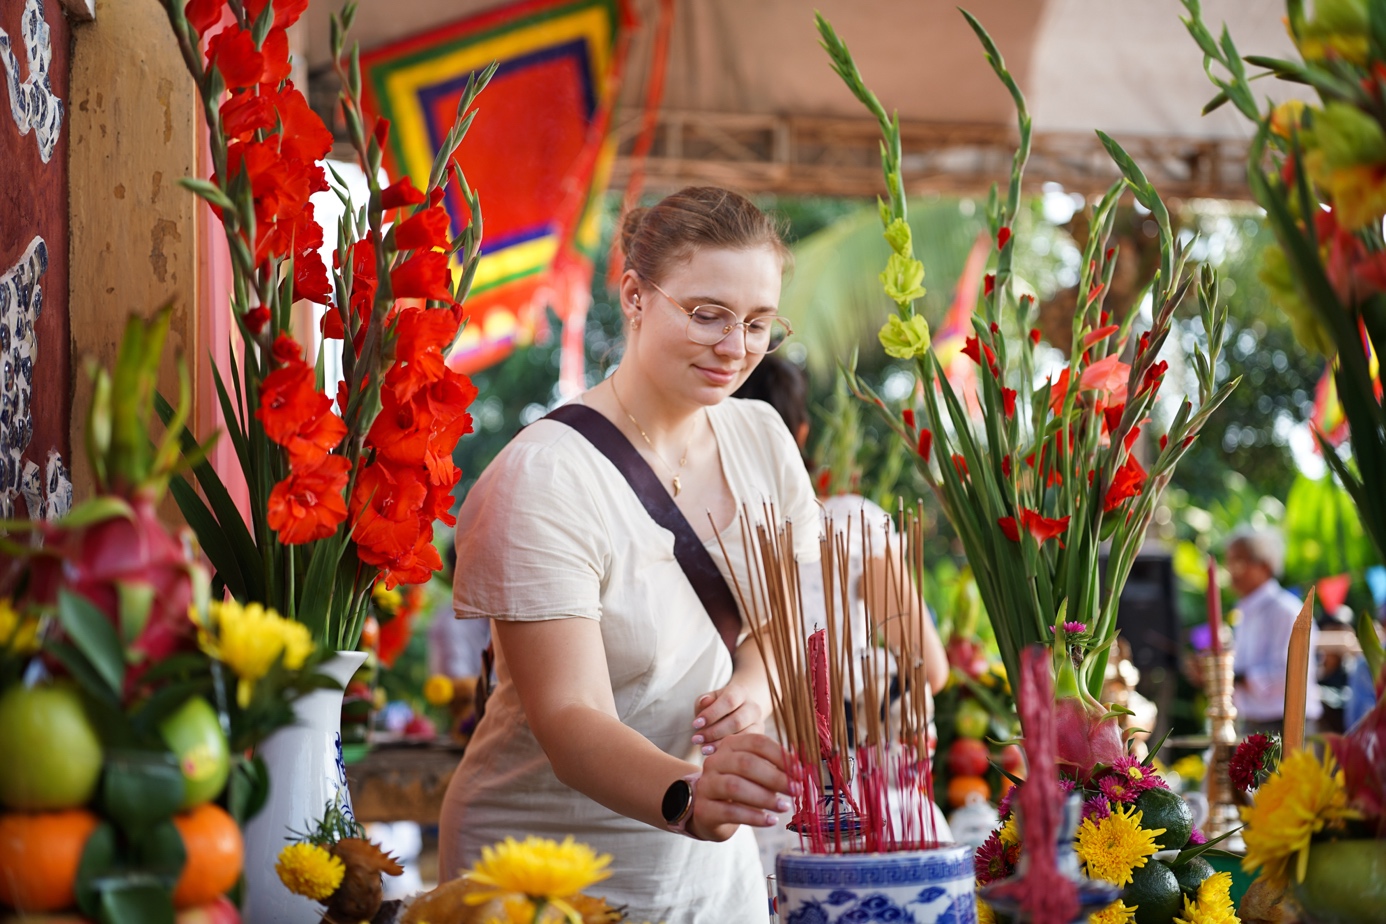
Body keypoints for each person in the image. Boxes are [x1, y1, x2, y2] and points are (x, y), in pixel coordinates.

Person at [438, 188, 816, 922]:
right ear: (636, 297)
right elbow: (570, 717)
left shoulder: (764, 438)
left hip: (710, 871)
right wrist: (691, 793)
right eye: (707, 313)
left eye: (759, 323)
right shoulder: (544, 474)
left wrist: (754, 683)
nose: (735, 346)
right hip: (545, 871)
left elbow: (789, 614)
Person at [732, 357, 952, 868]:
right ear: (801, 433)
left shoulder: (708, 543)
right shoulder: (850, 522)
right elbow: (931, 669)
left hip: (755, 818)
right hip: (872, 815)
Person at [1226, 525, 1322, 734]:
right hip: (1253, 722)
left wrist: (1237, 677)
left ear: (1265, 566)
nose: (1232, 570)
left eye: (1240, 561)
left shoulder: (1287, 612)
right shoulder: (1244, 611)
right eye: (1230, 562)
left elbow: (1289, 675)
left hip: (1287, 726)